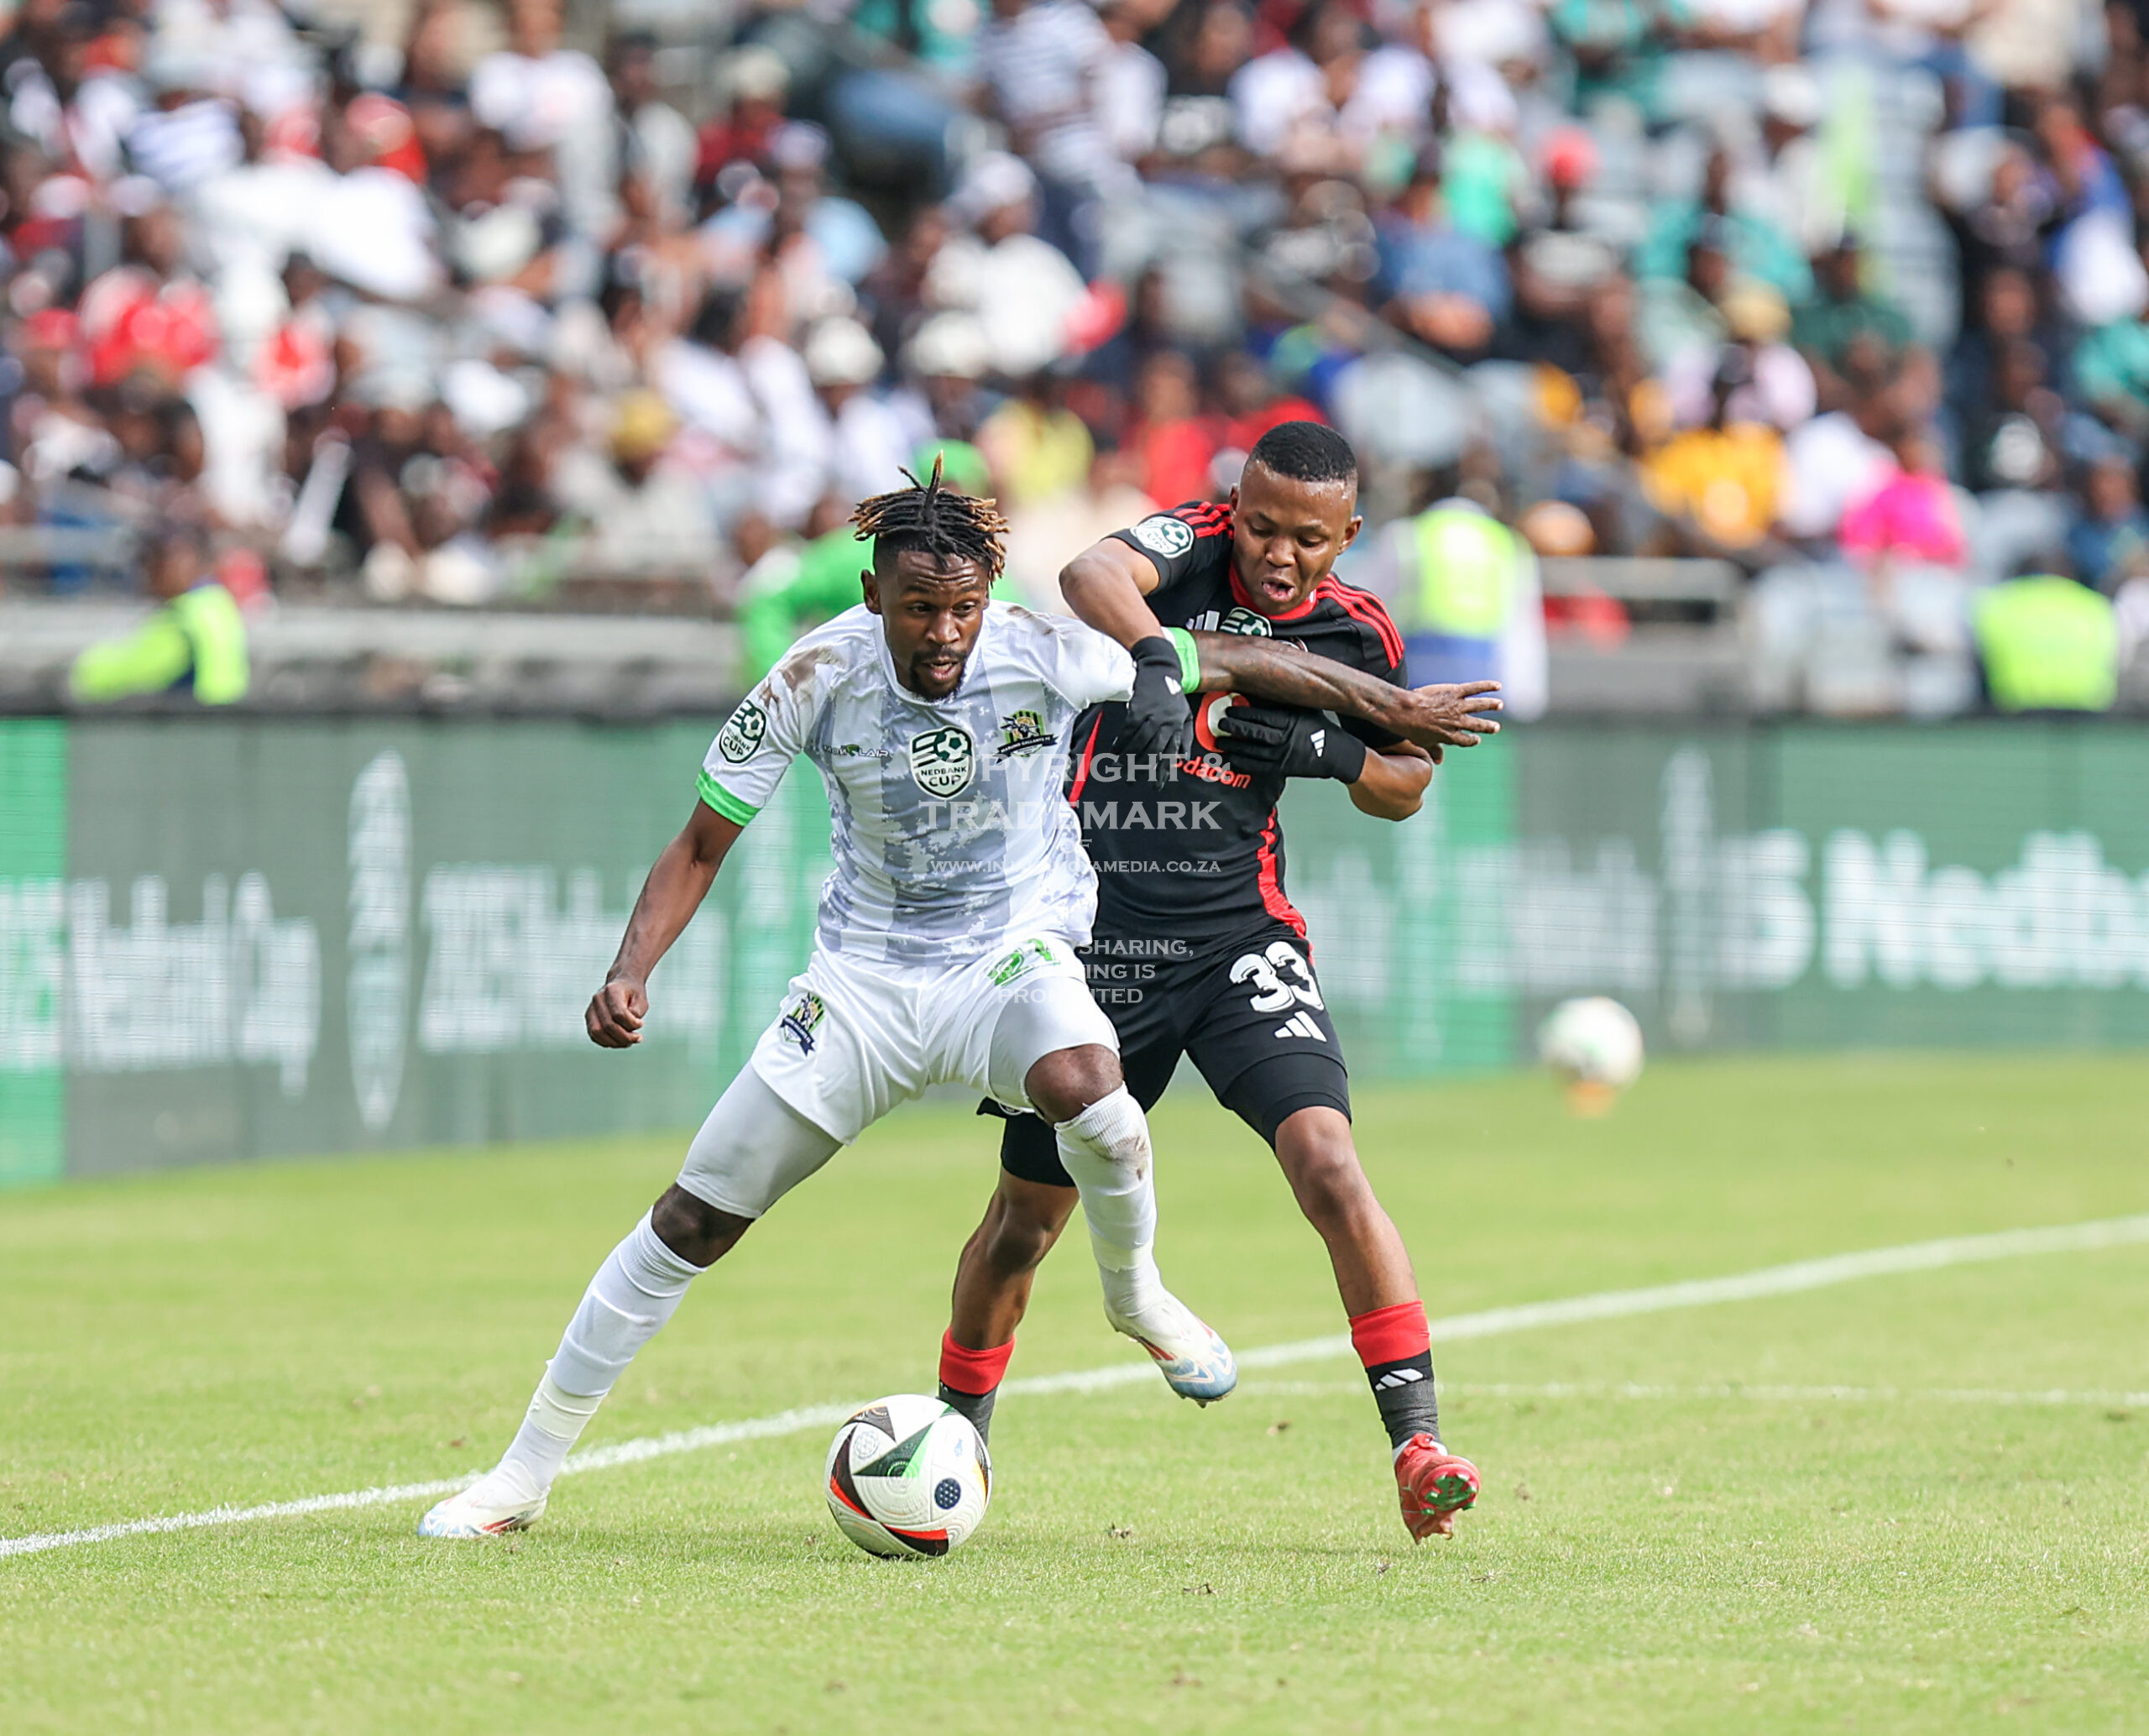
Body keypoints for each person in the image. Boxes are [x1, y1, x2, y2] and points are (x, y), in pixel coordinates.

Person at [416, 462, 1490, 1540]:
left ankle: (1135, 1293)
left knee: (1091, 1087)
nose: (944, 634)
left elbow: (1244, 657)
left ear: (988, 598)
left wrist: (1390, 708)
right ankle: (520, 1476)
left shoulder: (1037, 650)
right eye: (918, 608)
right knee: (691, 1218)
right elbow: (701, 842)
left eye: (963, 608)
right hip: (863, 983)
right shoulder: (811, 672)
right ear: (872, 594)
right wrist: (629, 969)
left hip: (1008, 960)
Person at [927, 423, 1503, 1544]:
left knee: (1329, 1161)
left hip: (1240, 938)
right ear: (1232, 506)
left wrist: (1310, 747)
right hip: (1095, 945)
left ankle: (1418, 1444)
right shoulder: (1182, 550)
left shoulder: (1357, 630)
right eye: (1261, 526)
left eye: (1308, 539)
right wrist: (1163, 657)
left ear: (1349, 535)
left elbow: (1405, 783)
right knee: (1023, 1223)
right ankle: (953, 1439)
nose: (1279, 555)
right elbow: (1089, 573)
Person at [69, 528, 248, 705]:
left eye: (153, 563)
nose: (146, 574)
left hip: (192, 719)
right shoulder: (218, 602)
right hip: (225, 717)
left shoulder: (180, 617)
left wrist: (84, 668)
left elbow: (136, 669)